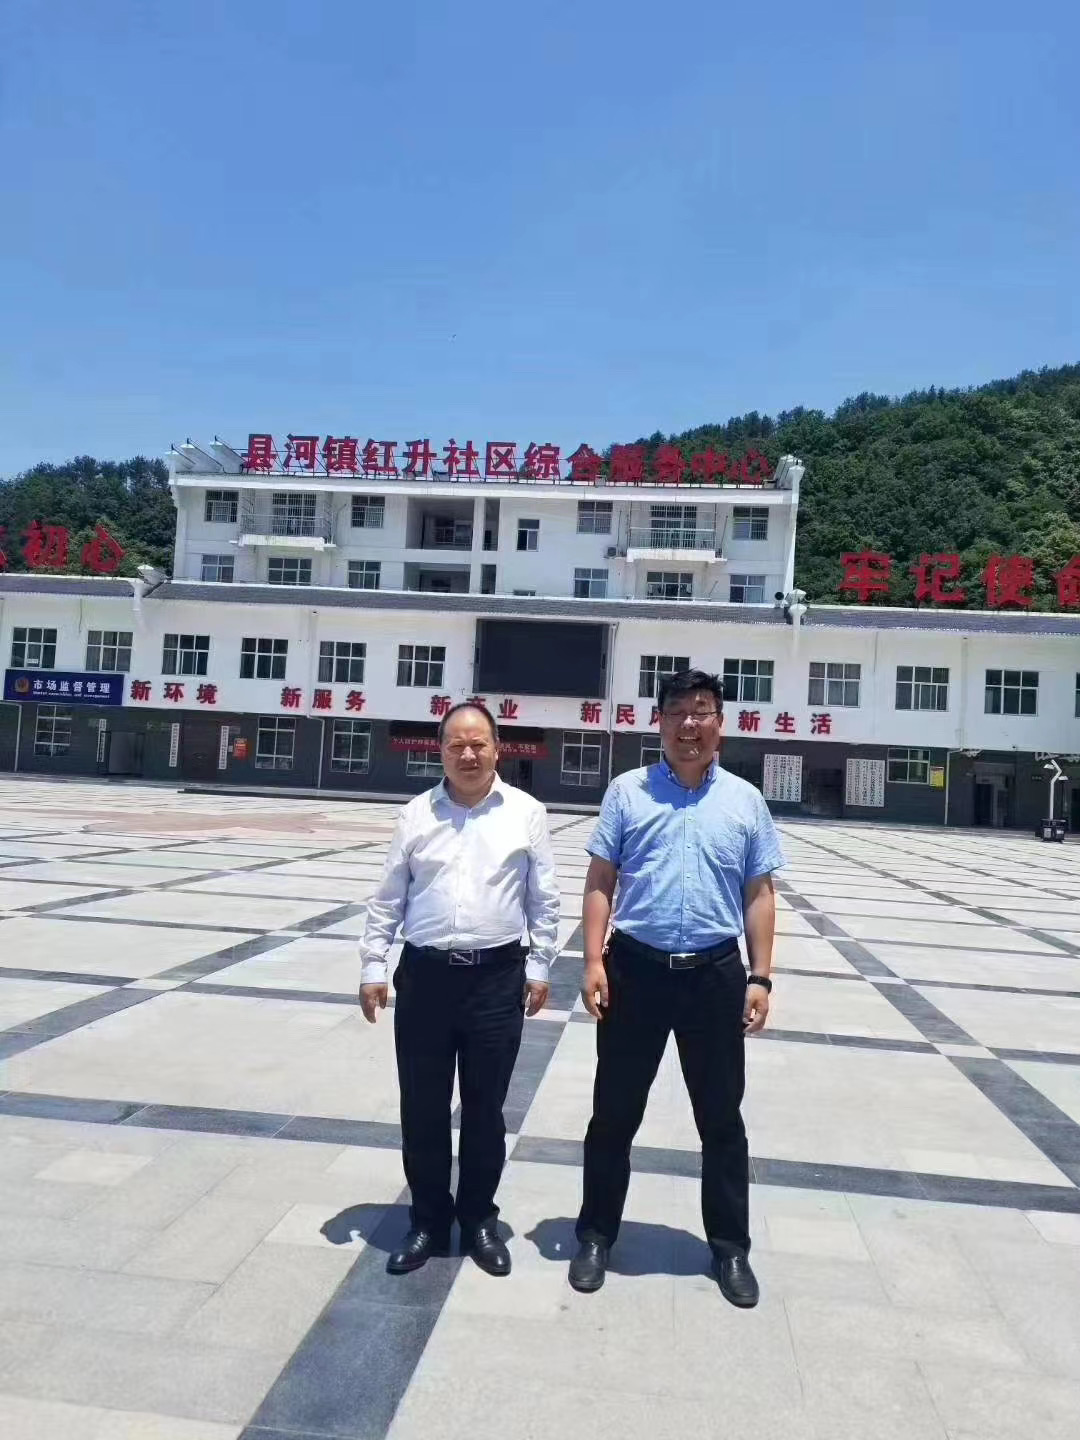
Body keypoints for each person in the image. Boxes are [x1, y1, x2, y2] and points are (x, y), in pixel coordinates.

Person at [568, 668, 783, 1305]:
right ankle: (596, 1235)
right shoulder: (627, 793)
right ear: (658, 722)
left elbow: (760, 892)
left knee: (721, 1118)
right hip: (634, 971)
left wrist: (760, 976)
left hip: (714, 976)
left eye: (703, 710)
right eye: (678, 711)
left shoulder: (745, 801)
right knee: (614, 1113)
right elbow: (600, 880)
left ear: (721, 723)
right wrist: (592, 960)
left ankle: (730, 1248)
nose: (690, 723)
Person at [359, 702, 560, 1278]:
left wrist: (540, 965)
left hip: (496, 980)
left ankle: (478, 1221)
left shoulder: (526, 812)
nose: (468, 755)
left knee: (485, 1109)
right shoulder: (416, 814)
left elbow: (543, 898)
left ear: (498, 748)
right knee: (422, 1107)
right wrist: (373, 966)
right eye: (456, 745)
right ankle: (426, 1220)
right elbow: (389, 896)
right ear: (440, 750)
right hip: (425, 979)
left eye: (478, 744)